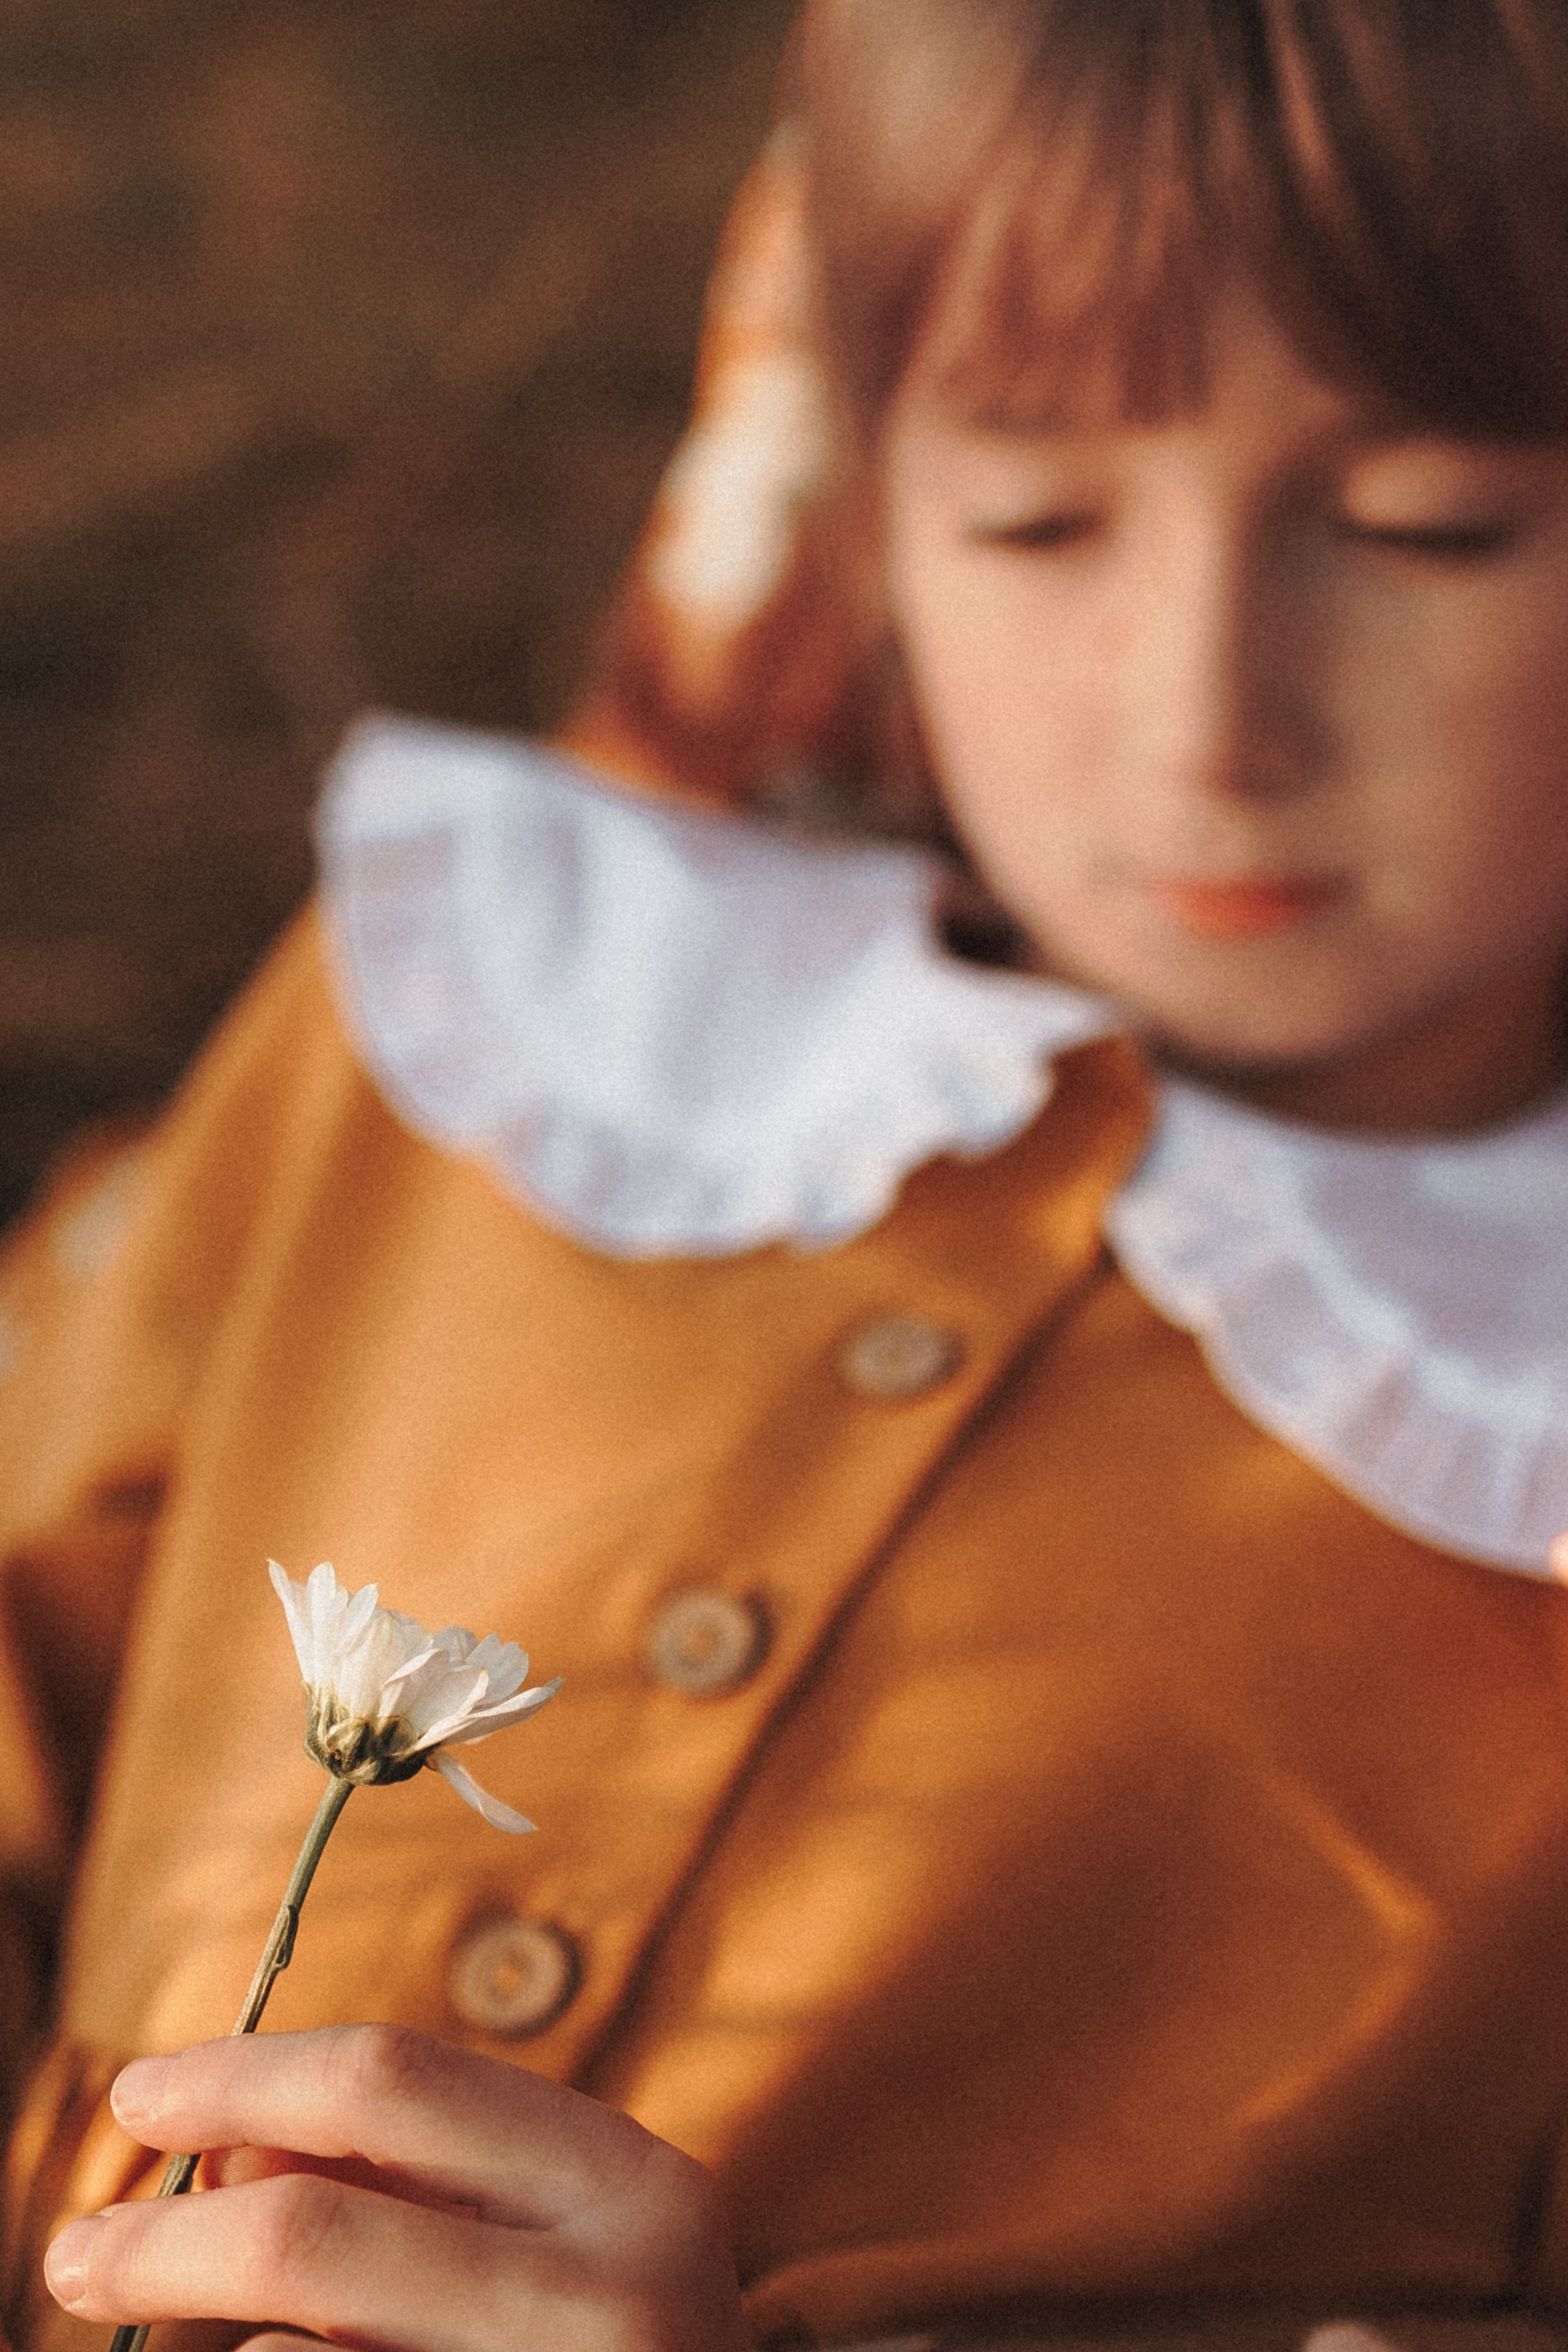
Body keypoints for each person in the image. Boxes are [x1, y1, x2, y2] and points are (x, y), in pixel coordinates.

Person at [9, 3, 1568, 2349]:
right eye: (1035, 517)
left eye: (1420, 526)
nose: (1203, 720)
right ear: (865, 501)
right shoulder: (499, 1008)